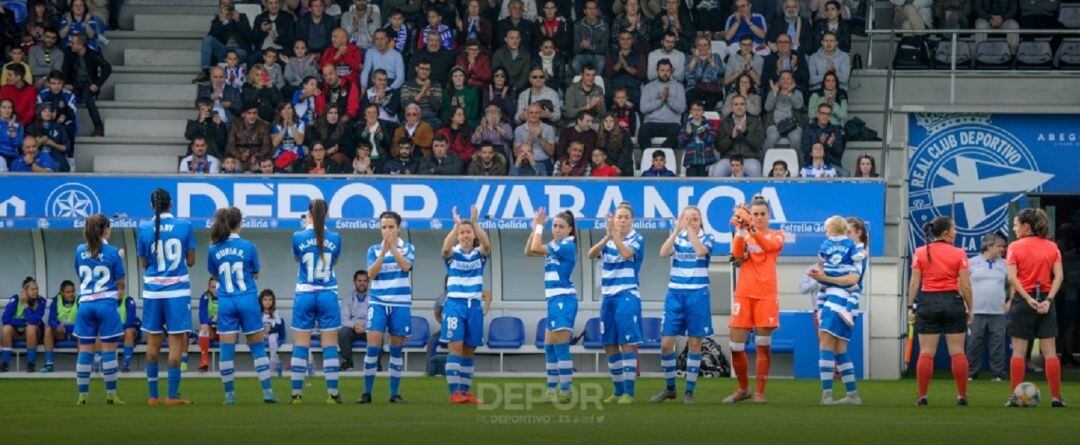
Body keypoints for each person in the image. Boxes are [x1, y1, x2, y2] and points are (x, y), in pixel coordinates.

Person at [206, 207, 278, 404]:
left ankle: (229, 395)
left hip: (226, 301)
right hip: (247, 299)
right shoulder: (249, 246)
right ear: (238, 224)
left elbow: (214, 273)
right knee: (257, 347)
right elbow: (255, 273)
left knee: (226, 349)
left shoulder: (213, 248)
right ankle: (267, 392)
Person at [135, 189, 196, 405]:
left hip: (153, 290)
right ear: (171, 204)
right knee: (175, 343)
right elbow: (190, 261)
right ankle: (171, 395)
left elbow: (143, 263)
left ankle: (153, 396)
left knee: (152, 343)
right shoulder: (185, 226)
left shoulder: (143, 227)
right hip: (177, 291)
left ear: (152, 206)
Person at [907, 216, 974, 406]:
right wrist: (970, 309)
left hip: (928, 303)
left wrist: (910, 307)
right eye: (954, 229)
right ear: (945, 233)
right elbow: (966, 286)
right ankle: (962, 395)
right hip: (953, 302)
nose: (956, 232)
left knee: (926, 352)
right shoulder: (959, 253)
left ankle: (922, 396)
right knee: (957, 351)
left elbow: (914, 283)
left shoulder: (920, 252)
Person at [725, 195, 785, 404]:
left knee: (762, 345)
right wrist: (740, 231)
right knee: (735, 346)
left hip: (766, 295)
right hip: (744, 293)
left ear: (768, 216)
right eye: (755, 214)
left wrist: (749, 226)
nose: (758, 218)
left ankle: (759, 391)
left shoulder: (778, 235)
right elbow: (737, 255)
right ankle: (743, 389)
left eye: (762, 214)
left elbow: (768, 246)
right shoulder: (746, 232)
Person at [652, 207, 715, 404]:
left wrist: (690, 231)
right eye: (687, 218)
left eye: (695, 219)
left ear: (701, 222)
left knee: (695, 343)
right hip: (675, 294)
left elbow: (700, 251)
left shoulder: (707, 238)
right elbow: (662, 253)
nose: (691, 222)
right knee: (665, 344)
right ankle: (670, 388)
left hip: (697, 294)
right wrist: (677, 231)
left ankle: (689, 391)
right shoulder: (678, 237)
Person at [1005, 208, 1067, 407]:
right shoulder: (1052, 247)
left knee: (1018, 352)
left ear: (1026, 226)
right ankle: (1056, 398)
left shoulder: (1015, 246)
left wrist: (1027, 299)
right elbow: (1059, 276)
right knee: (1050, 352)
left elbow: (1012, 277)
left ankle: (1014, 398)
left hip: (1024, 302)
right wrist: (1048, 300)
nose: (1014, 229)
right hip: (1046, 301)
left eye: (1016, 225)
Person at [587, 202, 645, 404]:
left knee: (626, 343)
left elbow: (627, 254)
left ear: (632, 220)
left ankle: (629, 392)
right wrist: (606, 237)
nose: (621, 220)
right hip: (608, 297)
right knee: (609, 344)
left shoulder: (637, 238)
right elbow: (591, 254)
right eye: (618, 217)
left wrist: (616, 236)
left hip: (627, 295)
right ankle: (618, 391)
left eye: (625, 217)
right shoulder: (610, 240)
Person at [288, 199, 344, 404]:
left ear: (308, 215)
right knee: (329, 345)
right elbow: (334, 261)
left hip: (305, 293)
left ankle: (296, 395)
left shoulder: (297, 236)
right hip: (327, 293)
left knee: (300, 345)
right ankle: (332, 394)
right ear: (327, 215)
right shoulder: (336, 238)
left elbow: (297, 259)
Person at [807, 216, 864, 405]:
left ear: (859, 234)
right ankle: (852, 395)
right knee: (840, 349)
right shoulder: (850, 251)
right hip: (844, 302)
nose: (844, 236)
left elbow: (852, 279)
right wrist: (820, 277)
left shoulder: (859, 253)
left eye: (849, 232)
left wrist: (826, 278)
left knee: (825, 344)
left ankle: (827, 395)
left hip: (838, 300)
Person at [525, 207, 578, 403]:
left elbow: (537, 248)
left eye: (561, 226)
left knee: (561, 346)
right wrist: (534, 230)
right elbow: (529, 250)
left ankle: (565, 390)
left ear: (569, 230)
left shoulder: (566, 246)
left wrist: (540, 227)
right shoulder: (555, 245)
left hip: (563, 299)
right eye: (554, 226)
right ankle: (552, 390)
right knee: (549, 347)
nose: (556, 229)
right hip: (554, 300)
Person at [362, 211, 415, 404]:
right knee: (372, 348)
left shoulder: (407, 247)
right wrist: (383, 254)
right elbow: (371, 274)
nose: (387, 231)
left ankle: (394, 393)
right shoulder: (373, 249)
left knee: (396, 350)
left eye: (391, 227)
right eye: (384, 227)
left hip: (400, 304)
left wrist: (392, 248)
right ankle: (366, 392)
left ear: (398, 228)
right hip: (378, 303)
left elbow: (406, 267)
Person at [439, 206, 492, 404]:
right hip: (455, 304)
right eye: (462, 233)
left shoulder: (479, 254)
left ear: (473, 235)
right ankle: (454, 393)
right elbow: (444, 248)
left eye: (468, 232)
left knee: (470, 350)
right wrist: (456, 226)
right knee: (455, 348)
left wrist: (475, 222)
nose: (465, 235)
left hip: (474, 306)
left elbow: (487, 245)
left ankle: (465, 392)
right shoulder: (453, 253)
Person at [73, 214, 126, 405]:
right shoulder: (112, 252)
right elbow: (120, 282)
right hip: (106, 305)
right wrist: (119, 257)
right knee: (108, 351)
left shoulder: (79, 250)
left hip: (85, 305)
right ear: (105, 230)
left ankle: (83, 396)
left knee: (85, 351)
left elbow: (79, 273)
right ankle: (111, 395)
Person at [966, 233, 1009, 381]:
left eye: (1004, 247)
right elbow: (963, 285)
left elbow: (1014, 284)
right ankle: (971, 374)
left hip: (998, 312)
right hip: (975, 311)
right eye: (999, 246)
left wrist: (1009, 303)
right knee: (973, 344)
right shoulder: (971, 262)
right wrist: (966, 307)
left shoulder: (1006, 264)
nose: (1002, 249)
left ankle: (997, 375)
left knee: (997, 344)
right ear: (989, 246)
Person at [194, 0, 252, 83]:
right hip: (223, 50)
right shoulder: (218, 20)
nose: (227, 6)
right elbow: (212, 37)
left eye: (229, 4)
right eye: (224, 4)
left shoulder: (242, 17)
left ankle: (231, 76)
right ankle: (206, 71)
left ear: (233, 5)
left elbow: (249, 36)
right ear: (220, 6)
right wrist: (223, 22)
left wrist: (238, 21)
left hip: (239, 51)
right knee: (207, 39)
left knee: (238, 54)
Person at [639, 59, 686, 150]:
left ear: (671, 71)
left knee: (678, 132)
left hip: (672, 123)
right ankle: (651, 157)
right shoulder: (648, 87)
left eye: (668, 70)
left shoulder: (678, 86)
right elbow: (643, 108)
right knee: (642, 131)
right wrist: (661, 100)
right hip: (652, 122)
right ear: (657, 71)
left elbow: (681, 109)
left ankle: (660, 157)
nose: (665, 73)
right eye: (662, 70)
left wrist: (668, 98)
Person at [1, 277, 46, 372]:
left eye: (37, 289)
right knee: (6, 329)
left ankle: (31, 364)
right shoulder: (15, 299)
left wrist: (25, 304)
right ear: (25, 291)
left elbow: (33, 320)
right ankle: (5, 363)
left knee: (31, 328)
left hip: (34, 332)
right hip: (17, 331)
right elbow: (5, 319)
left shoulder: (41, 301)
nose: (36, 291)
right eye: (32, 289)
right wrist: (23, 322)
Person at [715, 95, 765, 177]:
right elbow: (719, 148)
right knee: (719, 169)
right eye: (736, 104)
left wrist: (746, 133)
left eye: (742, 104)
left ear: (746, 107)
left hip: (749, 159)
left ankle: (754, 190)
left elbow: (759, 145)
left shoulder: (756, 121)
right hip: (729, 159)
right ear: (731, 107)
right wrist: (731, 137)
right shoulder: (723, 122)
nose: (739, 107)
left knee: (754, 168)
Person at [763, 70, 804, 151]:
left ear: (793, 81)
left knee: (796, 138)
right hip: (775, 125)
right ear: (779, 81)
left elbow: (798, 106)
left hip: (793, 125)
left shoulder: (797, 93)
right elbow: (767, 108)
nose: (785, 81)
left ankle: (796, 163)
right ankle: (767, 163)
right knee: (771, 138)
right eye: (783, 78)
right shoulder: (773, 92)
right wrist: (774, 94)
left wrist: (790, 94)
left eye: (788, 78)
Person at [338, 270, 369, 371]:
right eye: (359, 280)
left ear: (368, 282)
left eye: (365, 281)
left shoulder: (374, 298)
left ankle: (375, 365)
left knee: (377, 333)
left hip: (368, 328)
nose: (362, 283)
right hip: (352, 328)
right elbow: (344, 319)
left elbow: (376, 318)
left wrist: (364, 325)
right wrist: (356, 325)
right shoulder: (347, 298)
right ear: (354, 281)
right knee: (343, 332)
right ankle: (347, 364)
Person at [606, 31, 647, 106]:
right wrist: (619, 65)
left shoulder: (640, 55)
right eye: (622, 39)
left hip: (633, 89)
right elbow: (608, 73)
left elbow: (641, 74)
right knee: (608, 97)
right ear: (618, 40)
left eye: (628, 39)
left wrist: (627, 67)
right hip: (616, 88)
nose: (625, 41)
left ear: (632, 40)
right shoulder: (611, 54)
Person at [228, 105, 272, 172]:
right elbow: (231, 145)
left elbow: (266, 146)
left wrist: (257, 156)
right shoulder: (235, 125)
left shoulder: (263, 126)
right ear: (243, 114)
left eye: (255, 113)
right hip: (239, 155)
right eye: (249, 113)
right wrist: (240, 156)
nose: (252, 116)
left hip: (257, 156)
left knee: (258, 167)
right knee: (234, 166)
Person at [513, 103, 555, 174]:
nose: (534, 115)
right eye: (531, 112)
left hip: (543, 161)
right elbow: (516, 153)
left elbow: (551, 152)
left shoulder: (549, 128)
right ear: (527, 114)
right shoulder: (519, 129)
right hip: (525, 162)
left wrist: (540, 138)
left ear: (540, 114)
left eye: (536, 113)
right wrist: (529, 140)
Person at [801, 103, 844, 172]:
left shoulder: (835, 130)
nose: (825, 116)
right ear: (817, 114)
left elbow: (839, 152)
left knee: (846, 174)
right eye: (823, 113)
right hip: (812, 164)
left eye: (828, 114)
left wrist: (831, 145)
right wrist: (819, 142)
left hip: (831, 164)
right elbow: (806, 150)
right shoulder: (808, 129)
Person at [401, 60, 444, 128]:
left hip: (431, 119)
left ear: (430, 71)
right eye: (422, 68)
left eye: (427, 69)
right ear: (416, 69)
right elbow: (405, 105)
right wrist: (423, 91)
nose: (424, 72)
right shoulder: (407, 85)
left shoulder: (436, 85)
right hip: (411, 118)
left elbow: (437, 107)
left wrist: (428, 93)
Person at [572, 1, 609, 73]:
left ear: (597, 10)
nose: (592, 11)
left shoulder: (604, 25)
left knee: (601, 63)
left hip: (598, 56)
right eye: (589, 8)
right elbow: (575, 49)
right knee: (575, 64)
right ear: (585, 11)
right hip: (582, 55)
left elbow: (604, 49)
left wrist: (591, 47)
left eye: (594, 8)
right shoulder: (578, 25)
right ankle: (581, 82)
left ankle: (596, 82)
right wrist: (582, 45)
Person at [271, 102, 306, 172]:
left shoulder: (300, 124)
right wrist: (285, 127)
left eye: (289, 108)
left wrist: (291, 125)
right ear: (280, 112)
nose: (286, 111)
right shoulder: (276, 125)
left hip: (297, 155)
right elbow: (275, 143)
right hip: (282, 155)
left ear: (293, 110)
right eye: (283, 109)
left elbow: (299, 142)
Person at [260, 289, 286, 376]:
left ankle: (273, 359)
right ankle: (263, 363)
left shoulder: (275, 312)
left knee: (272, 338)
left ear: (273, 301)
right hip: (262, 335)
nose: (267, 302)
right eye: (265, 299)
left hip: (274, 335)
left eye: (270, 299)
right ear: (261, 300)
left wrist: (271, 329)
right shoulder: (259, 313)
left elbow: (279, 326)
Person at [196, 278, 219, 373]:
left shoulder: (227, 297)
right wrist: (213, 319)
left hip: (225, 331)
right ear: (209, 288)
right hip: (212, 330)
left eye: (218, 287)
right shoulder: (205, 297)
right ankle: (204, 362)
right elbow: (202, 318)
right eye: (213, 287)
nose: (216, 290)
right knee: (203, 328)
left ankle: (226, 364)